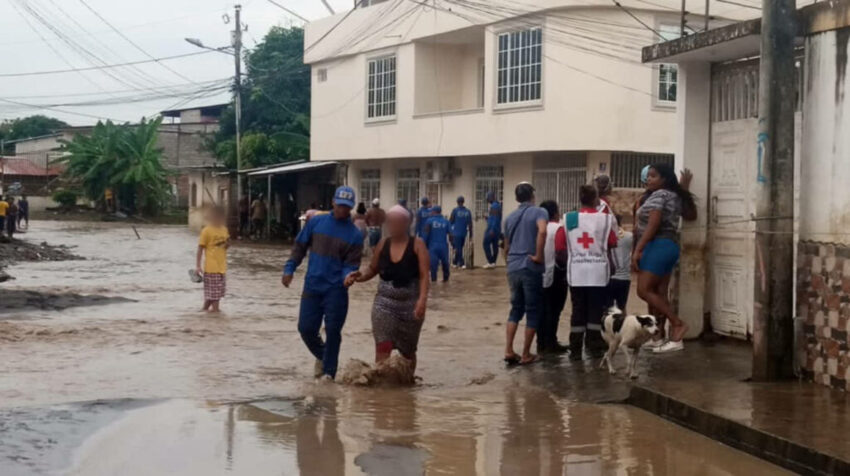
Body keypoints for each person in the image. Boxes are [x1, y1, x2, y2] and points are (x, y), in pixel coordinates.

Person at [282, 186, 363, 381]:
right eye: (340, 205)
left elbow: (351, 265)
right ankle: (325, 356)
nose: (343, 210)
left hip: (336, 290)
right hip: (313, 285)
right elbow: (299, 247)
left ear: (351, 208)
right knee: (306, 329)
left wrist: (348, 276)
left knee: (333, 331)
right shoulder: (316, 222)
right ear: (333, 203)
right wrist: (289, 269)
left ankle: (329, 375)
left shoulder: (355, 235)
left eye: (347, 207)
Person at [347, 205, 430, 372]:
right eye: (390, 222)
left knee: (408, 353)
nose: (392, 226)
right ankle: (382, 389)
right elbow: (372, 269)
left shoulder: (417, 245)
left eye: (397, 222)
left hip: (410, 305)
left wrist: (422, 300)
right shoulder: (383, 244)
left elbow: (424, 275)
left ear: (407, 223)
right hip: (384, 304)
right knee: (383, 347)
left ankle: (406, 389)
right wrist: (359, 277)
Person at [632, 164, 696, 354]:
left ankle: (677, 324)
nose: (649, 179)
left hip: (658, 245)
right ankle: (659, 336)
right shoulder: (674, 195)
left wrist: (638, 249)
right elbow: (691, 215)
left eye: (653, 176)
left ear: (664, 179)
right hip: (669, 246)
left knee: (643, 290)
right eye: (648, 176)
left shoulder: (660, 196)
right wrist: (684, 190)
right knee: (659, 291)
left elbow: (653, 224)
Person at [566, 185, 618, 360]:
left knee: (578, 310)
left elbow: (560, 245)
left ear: (580, 198)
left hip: (576, 273)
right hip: (598, 272)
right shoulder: (604, 219)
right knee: (596, 310)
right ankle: (594, 347)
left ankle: (575, 349)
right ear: (596, 199)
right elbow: (612, 241)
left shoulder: (570, 218)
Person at [503, 182, 548, 365]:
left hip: (513, 266)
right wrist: (538, 255)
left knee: (515, 309)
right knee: (533, 310)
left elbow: (506, 247)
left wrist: (510, 263)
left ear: (516, 198)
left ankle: (508, 350)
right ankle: (526, 354)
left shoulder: (509, 218)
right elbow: (543, 231)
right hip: (530, 266)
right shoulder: (539, 212)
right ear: (532, 196)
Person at [538, 200, 569, 354]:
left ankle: (541, 343)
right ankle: (551, 343)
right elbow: (561, 252)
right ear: (556, 213)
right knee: (555, 310)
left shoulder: (537, 228)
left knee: (542, 310)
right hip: (556, 274)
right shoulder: (559, 228)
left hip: (538, 273)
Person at [196, 206, 230, 313]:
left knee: (215, 294)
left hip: (222, 267)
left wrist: (227, 244)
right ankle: (216, 315)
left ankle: (203, 311)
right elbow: (200, 249)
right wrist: (198, 266)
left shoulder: (224, 229)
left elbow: (227, 244)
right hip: (211, 268)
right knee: (215, 297)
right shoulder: (206, 231)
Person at [609, 215, 633, 311]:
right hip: (624, 278)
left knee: (607, 309)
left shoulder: (604, 236)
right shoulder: (629, 236)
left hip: (609, 278)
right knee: (622, 308)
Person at [423, 206, 451, 282]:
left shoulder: (429, 221)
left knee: (433, 265)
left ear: (434, 212)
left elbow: (426, 234)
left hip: (433, 247)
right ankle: (446, 280)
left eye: (431, 211)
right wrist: (454, 245)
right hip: (444, 246)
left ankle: (434, 281)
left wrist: (423, 246)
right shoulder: (446, 221)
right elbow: (451, 234)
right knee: (445, 264)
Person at [449, 196, 473, 269]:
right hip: (464, 233)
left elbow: (451, 221)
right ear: (463, 202)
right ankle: (454, 262)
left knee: (458, 248)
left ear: (457, 202)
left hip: (456, 232)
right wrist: (471, 234)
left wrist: (449, 232)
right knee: (459, 247)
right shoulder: (468, 211)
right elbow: (470, 224)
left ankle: (462, 263)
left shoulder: (455, 211)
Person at [483, 191, 502, 269]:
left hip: (492, 229)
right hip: (497, 229)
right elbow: (494, 218)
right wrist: (487, 218)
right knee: (495, 245)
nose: (487, 200)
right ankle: (493, 262)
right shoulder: (498, 205)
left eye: (488, 198)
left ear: (491, 197)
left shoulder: (494, 206)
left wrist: (492, 229)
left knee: (485, 243)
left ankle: (491, 261)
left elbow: (495, 219)